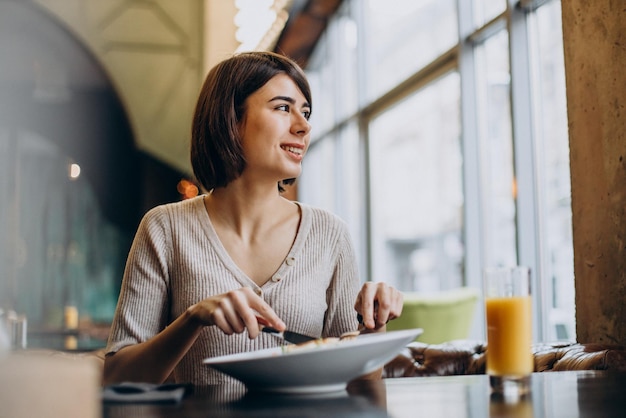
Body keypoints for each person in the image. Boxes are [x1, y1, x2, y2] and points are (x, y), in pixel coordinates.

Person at [103, 51, 403, 387]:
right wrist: (193, 319)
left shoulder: (330, 234)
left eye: (305, 112)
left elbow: (360, 389)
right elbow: (116, 379)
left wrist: (373, 331)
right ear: (231, 119)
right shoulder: (165, 228)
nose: (304, 126)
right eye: (283, 107)